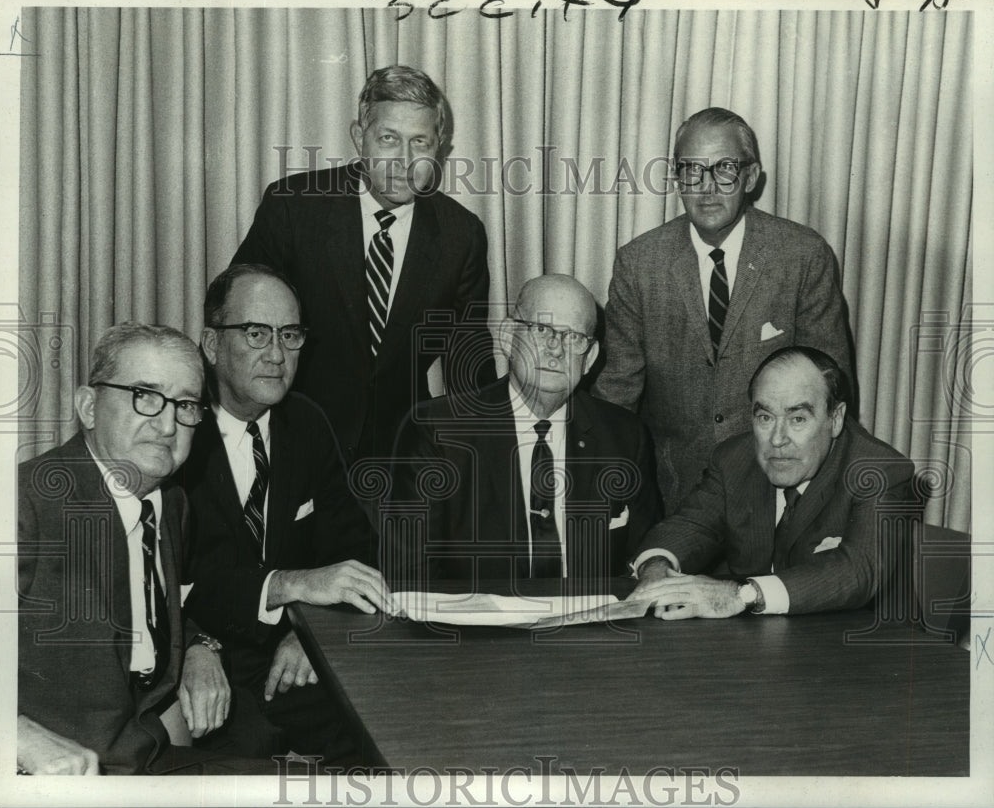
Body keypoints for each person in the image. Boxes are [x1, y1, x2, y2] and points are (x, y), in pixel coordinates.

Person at [231, 64, 497, 468]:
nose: (404, 161)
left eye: (420, 142)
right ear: (359, 138)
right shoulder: (293, 208)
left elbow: (469, 368)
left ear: (439, 147)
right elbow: (237, 321)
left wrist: (483, 461)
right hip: (290, 443)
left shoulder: (462, 236)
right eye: (388, 138)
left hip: (400, 456)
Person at [593, 107, 853, 513]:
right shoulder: (640, 263)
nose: (707, 187)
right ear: (677, 178)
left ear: (750, 177)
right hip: (671, 491)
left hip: (778, 492)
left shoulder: (802, 256)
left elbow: (832, 389)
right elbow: (616, 393)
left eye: (725, 169)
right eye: (691, 170)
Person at [182, 264, 393, 762]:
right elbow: (171, 581)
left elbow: (353, 550)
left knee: (387, 732)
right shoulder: (178, 432)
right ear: (212, 346)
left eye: (290, 334)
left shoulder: (305, 422)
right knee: (245, 756)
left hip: (291, 655)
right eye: (256, 333)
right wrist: (285, 588)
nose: (276, 354)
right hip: (204, 658)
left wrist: (311, 636)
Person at [16, 324, 249, 774]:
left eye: (184, 405)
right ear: (88, 406)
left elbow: (153, 605)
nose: (166, 425)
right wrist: (16, 738)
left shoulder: (172, 503)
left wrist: (201, 645)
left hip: (148, 758)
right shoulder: (24, 501)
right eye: (145, 394)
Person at [386, 274, 660, 590]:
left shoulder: (624, 437)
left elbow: (643, 560)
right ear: (507, 337)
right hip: (475, 631)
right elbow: (411, 574)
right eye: (541, 330)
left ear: (590, 359)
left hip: (589, 631)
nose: (555, 349)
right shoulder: (438, 431)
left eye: (573, 337)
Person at [628, 346, 918, 618]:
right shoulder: (733, 460)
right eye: (765, 417)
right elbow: (688, 526)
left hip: (865, 642)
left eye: (798, 419)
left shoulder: (879, 471)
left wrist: (743, 595)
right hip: (764, 644)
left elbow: (858, 572)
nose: (777, 440)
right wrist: (657, 570)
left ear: (836, 418)